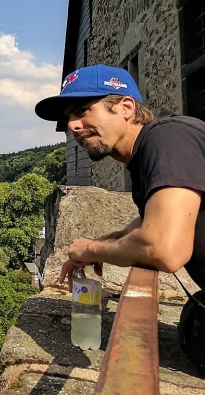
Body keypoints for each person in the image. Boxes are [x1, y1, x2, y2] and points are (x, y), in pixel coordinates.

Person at [33, 64, 205, 290]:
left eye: (82, 111)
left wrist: (91, 250)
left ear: (126, 107)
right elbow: (155, 219)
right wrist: (106, 242)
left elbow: (164, 249)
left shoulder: (169, 139)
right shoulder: (145, 154)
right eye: (68, 118)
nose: (73, 126)